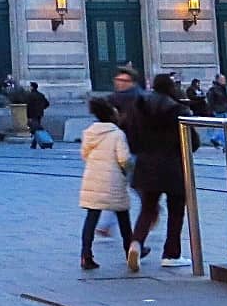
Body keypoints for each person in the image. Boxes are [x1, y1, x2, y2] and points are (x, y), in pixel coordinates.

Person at [127, 75, 191, 271]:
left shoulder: (139, 107)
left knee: (148, 208)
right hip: (173, 166)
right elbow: (192, 141)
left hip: (146, 164)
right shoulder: (178, 110)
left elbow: (131, 135)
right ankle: (171, 254)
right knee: (176, 211)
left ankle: (136, 243)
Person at [79, 96, 135, 272]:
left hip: (93, 178)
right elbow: (124, 159)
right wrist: (130, 171)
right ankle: (129, 252)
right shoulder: (117, 134)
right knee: (123, 218)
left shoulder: (89, 132)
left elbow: (84, 154)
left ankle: (86, 255)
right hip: (114, 179)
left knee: (91, 217)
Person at [26, 81, 51, 148]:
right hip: (39, 114)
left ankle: (41, 142)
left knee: (34, 129)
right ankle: (35, 143)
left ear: (32, 87)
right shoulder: (41, 95)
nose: (29, 87)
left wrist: (28, 116)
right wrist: (42, 108)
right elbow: (47, 104)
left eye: (30, 86)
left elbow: (28, 106)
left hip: (32, 114)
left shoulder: (30, 95)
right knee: (36, 128)